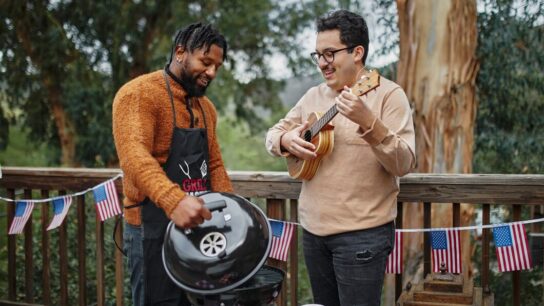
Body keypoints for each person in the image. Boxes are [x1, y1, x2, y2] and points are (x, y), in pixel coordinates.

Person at [265, 10, 416, 306]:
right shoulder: (312, 97)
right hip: (312, 232)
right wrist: (286, 140)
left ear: (357, 52)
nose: (322, 63)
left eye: (330, 53)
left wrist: (369, 122)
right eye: (318, 54)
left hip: (362, 238)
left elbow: (405, 163)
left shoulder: (388, 95)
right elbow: (272, 134)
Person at [113, 22, 233, 306]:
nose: (212, 73)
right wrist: (174, 200)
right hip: (150, 229)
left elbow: (214, 165)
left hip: (201, 229)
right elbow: (134, 155)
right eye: (205, 62)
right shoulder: (139, 94)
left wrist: (232, 216)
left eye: (217, 66)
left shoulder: (207, 109)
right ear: (180, 52)